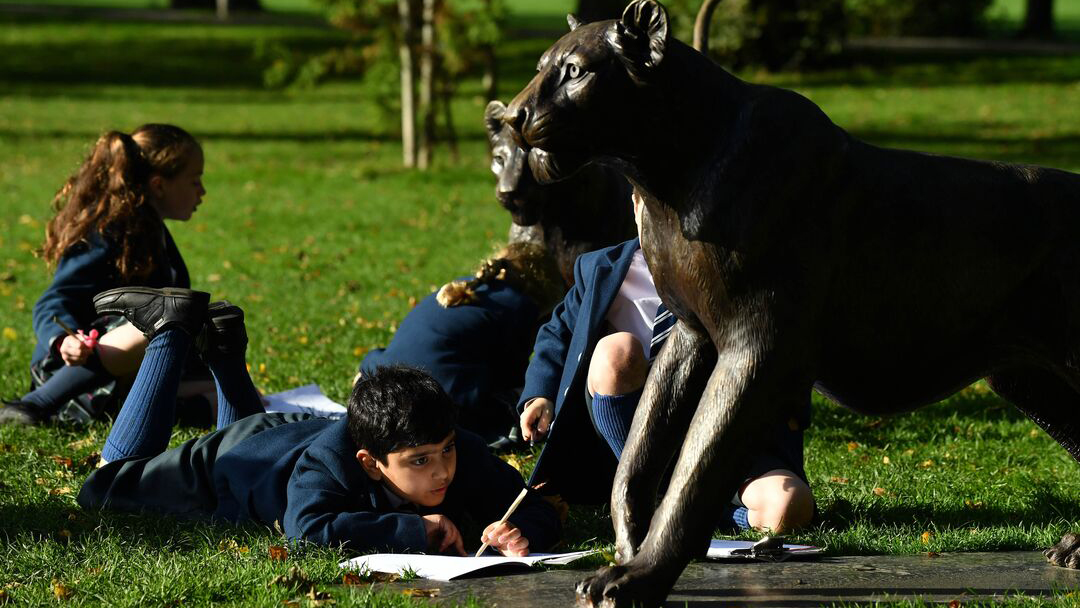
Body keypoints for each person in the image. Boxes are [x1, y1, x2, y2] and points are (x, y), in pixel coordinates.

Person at [78, 287, 560, 554]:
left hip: (281, 438)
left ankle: (224, 346)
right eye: (420, 461)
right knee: (101, 488)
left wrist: (519, 531)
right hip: (236, 461)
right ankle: (170, 329)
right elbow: (307, 528)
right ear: (370, 463)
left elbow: (528, 500)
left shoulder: (456, 447)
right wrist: (417, 530)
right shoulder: (328, 463)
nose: (442, 471)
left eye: (446, 451)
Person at [518, 192, 815, 533]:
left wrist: (792, 412)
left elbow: (786, 342)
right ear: (635, 206)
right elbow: (557, 332)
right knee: (617, 350)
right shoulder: (602, 269)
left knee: (788, 507)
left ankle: (693, 514)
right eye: (656, 212)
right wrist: (540, 395)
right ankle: (642, 491)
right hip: (632, 431)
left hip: (718, 435)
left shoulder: (737, 272)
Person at [1, 124, 214, 426]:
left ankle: (158, 411)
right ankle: (35, 405)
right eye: (195, 181)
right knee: (163, 314)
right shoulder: (108, 232)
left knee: (232, 393)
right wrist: (64, 340)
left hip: (122, 376)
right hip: (72, 373)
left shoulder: (155, 232)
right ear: (159, 185)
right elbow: (55, 299)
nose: (202, 191)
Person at [359, 242, 566, 448]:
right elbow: (513, 377)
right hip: (442, 396)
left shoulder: (462, 287)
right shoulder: (522, 308)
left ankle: (366, 374)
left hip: (388, 375)